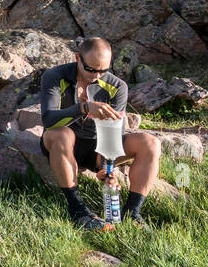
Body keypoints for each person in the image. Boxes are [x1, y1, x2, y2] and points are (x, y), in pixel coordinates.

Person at [38, 37, 161, 230]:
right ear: (77, 58)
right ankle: (78, 210)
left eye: (103, 70)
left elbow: (114, 132)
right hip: (61, 143)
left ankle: (132, 213)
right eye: (91, 69)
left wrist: (107, 168)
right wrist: (84, 108)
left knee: (150, 143)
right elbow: (48, 120)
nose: (97, 75)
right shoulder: (54, 76)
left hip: (97, 148)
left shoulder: (118, 86)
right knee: (62, 134)